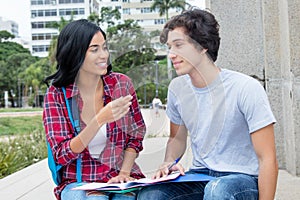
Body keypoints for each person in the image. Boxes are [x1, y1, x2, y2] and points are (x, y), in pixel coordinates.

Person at [137, 8, 278, 200]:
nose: (171, 54)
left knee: (217, 190)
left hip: (242, 179)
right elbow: (176, 139)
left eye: (178, 45)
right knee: (151, 195)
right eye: (170, 47)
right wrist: (169, 162)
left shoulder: (245, 88)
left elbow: (267, 158)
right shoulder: (178, 89)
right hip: (201, 174)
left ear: (203, 45)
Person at [43, 19, 146, 200]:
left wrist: (124, 173)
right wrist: (99, 119)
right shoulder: (57, 94)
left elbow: (135, 135)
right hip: (78, 182)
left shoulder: (120, 85)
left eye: (104, 47)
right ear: (75, 54)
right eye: (94, 49)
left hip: (118, 177)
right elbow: (61, 154)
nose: (103, 55)